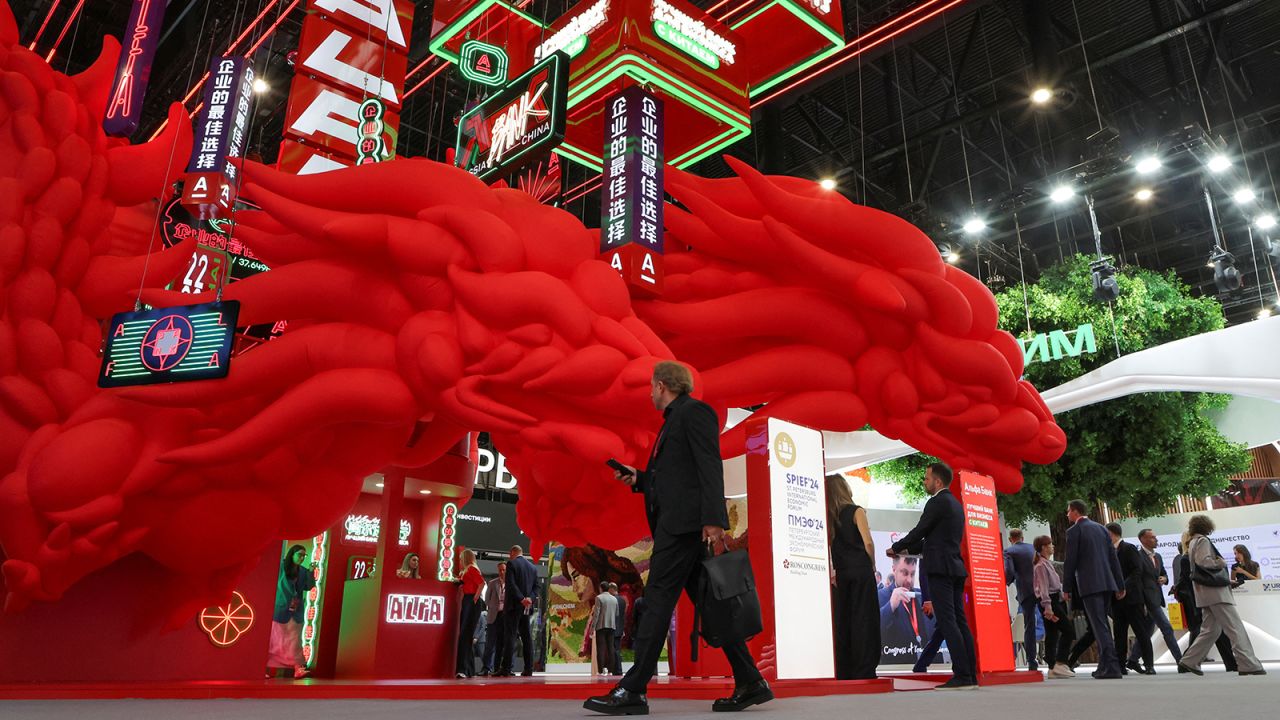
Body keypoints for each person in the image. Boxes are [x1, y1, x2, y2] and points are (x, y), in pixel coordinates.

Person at [584, 361, 771, 715]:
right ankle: (751, 680)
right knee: (712, 605)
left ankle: (634, 689)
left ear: (660, 386)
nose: (649, 393)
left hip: (683, 528)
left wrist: (715, 519)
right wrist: (640, 479)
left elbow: (709, 463)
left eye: (650, 388)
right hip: (680, 526)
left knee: (656, 603)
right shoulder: (674, 421)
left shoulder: (694, 413)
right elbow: (676, 478)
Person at [888, 462, 977, 691]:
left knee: (948, 621)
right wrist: (905, 548)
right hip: (955, 567)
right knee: (959, 621)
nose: (924, 482)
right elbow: (931, 539)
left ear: (937, 481)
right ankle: (970, 674)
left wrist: (896, 547)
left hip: (940, 569)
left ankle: (962, 675)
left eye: (927, 478)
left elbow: (921, 530)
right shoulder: (956, 505)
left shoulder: (936, 502)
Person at [1177, 515, 1266, 676]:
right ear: (1207, 526)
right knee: (1235, 627)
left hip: (1205, 593)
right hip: (1216, 593)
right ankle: (1248, 664)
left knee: (1210, 631)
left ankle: (1189, 660)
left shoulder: (1192, 543)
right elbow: (1205, 562)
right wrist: (1221, 562)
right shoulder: (1203, 541)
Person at [1061, 499, 1124, 679]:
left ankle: (1112, 667)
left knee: (1099, 626)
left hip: (1089, 584)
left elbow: (1070, 561)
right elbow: (1113, 558)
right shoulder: (1101, 529)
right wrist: (1120, 584)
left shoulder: (1074, 531)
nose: (1067, 515)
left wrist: (1066, 587)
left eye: (1068, 511)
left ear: (1074, 511)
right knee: (1102, 624)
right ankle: (1104, 666)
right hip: (1107, 582)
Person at [826, 473, 880, 679]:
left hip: (842, 573)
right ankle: (864, 667)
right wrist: (872, 563)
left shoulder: (830, 518)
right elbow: (868, 542)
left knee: (845, 619)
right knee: (865, 618)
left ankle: (845, 667)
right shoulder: (857, 511)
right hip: (861, 571)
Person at [1172, 533, 1236, 671]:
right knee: (1205, 631)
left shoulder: (1191, 558)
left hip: (1201, 598)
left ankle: (1230, 663)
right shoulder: (1186, 559)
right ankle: (1187, 662)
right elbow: (1190, 581)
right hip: (1196, 600)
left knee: (1214, 631)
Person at [1127, 529, 1182, 668]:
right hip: (1147, 601)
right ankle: (1180, 661)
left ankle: (1133, 660)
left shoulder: (1158, 556)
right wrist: (1142, 603)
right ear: (1143, 540)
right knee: (1167, 628)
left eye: (1155, 537)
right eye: (1152, 537)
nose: (1156, 539)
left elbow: (1163, 573)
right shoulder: (1138, 557)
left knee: (1146, 632)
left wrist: (1165, 578)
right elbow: (1137, 580)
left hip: (1156, 598)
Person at [1106, 523, 1154, 675]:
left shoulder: (1129, 548)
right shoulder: (1108, 552)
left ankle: (1149, 665)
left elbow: (1136, 571)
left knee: (1141, 632)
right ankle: (1120, 666)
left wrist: (1123, 587)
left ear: (1111, 534)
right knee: (1120, 634)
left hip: (1132, 598)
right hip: (1116, 600)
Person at [268, 544, 317, 679]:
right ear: (292, 554)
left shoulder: (302, 570)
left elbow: (309, 586)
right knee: (275, 640)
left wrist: (311, 572)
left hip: (296, 612)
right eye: (300, 554)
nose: (302, 558)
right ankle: (267, 668)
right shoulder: (282, 567)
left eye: (304, 555)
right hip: (281, 609)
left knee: (295, 642)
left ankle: (297, 668)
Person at [1032, 536, 1075, 678]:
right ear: (1043, 547)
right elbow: (1043, 588)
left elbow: (1054, 584)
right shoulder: (1041, 566)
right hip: (1050, 601)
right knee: (1068, 630)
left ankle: (1051, 666)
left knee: (1052, 633)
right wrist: (1048, 607)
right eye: (1050, 544)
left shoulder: (1046, 563)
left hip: (1054, 599)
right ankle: (1060, 662)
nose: (1052, 546)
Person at [878, 555, 934, 657]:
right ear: (894, 570)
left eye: (912, 574)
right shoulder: (880, 596)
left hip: (927, 666)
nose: (909, 580)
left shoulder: (922, 596)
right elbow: (873, 630)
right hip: (898, 667)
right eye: (904, 573)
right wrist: (890, 606)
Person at [500, 545, 538, 677]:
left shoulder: (511, 564)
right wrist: (529, 599)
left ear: (513, 553)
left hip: (513, 606)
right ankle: (528, 668)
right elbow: (536, 587)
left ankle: (506, 668)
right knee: (527, 637)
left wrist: (521, 598)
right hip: (527, 607)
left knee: (510, 637)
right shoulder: (533, 567)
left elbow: (510, 584)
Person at [1004, 529, 1038, 671]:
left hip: (1026, 591)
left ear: (1011, 539)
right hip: (1040, 588)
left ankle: (1032, 661)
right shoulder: (1033, 548)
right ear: (1022, 538)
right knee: (1051, 622)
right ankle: (1056, 657)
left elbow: (1010, 571)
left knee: (1029, 625)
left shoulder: (1009, 551)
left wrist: (1007, 582)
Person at [455, 549, 485, 678]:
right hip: (468, 601)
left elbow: (481, 583)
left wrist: (475, 598)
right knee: (465, 635)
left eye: (462, 558)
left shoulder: (472, 569)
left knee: (465, 635)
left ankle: (463, 669)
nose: (460, 561)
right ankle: (469, 669)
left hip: (471, 601)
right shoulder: (467, 570)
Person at [482, 562, 508, 676]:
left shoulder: (512, 584)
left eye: (503, 570)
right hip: (494, 616)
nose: (502, 572)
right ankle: (486, 668)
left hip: (505, 617)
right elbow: (487, 599)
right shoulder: (492, 583)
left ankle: (498, 668)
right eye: (500, 570)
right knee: (489, 644)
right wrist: (493, 607)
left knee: (501, 644)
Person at [592, 582, 619, 676]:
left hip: (601, 626)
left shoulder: (599, 598)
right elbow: (617, 613)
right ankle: (611, 670)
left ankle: (600, 670)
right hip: (612, 626)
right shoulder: (614, 599)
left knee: (601, 649)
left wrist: (593, 627)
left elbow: (596, 614)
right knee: (611, 648)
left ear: (601, 588)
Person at [610, 583, 627, 676]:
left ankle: (617, 670)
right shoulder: (622, 600)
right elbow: (623, 616)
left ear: (611, 590)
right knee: (617, 649)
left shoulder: (612, 600)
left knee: (614, 650)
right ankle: (618, 669)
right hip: (620, 628)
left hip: (612, 628)